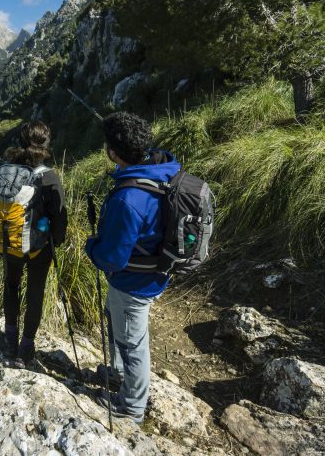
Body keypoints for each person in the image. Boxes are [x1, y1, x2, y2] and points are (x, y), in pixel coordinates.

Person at [85, 111, 180, 423]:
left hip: (133, 283)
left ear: (113, 152)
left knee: (132, 341)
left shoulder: (129, 199)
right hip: (150, 272)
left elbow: (112, 257)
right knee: (118, 322)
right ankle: (118, 372)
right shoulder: (159, 169)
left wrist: (91, 246)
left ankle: (131, 407)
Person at [0, 121, 68, 366]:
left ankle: (10, 340)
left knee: (11, 286)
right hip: (39, 248)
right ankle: (26, 347)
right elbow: (59, 217)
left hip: (9, 242)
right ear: (46, 144)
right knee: (35, 293)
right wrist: (56, 242)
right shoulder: (49, 176)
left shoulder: (2, 173)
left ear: (19, 143)